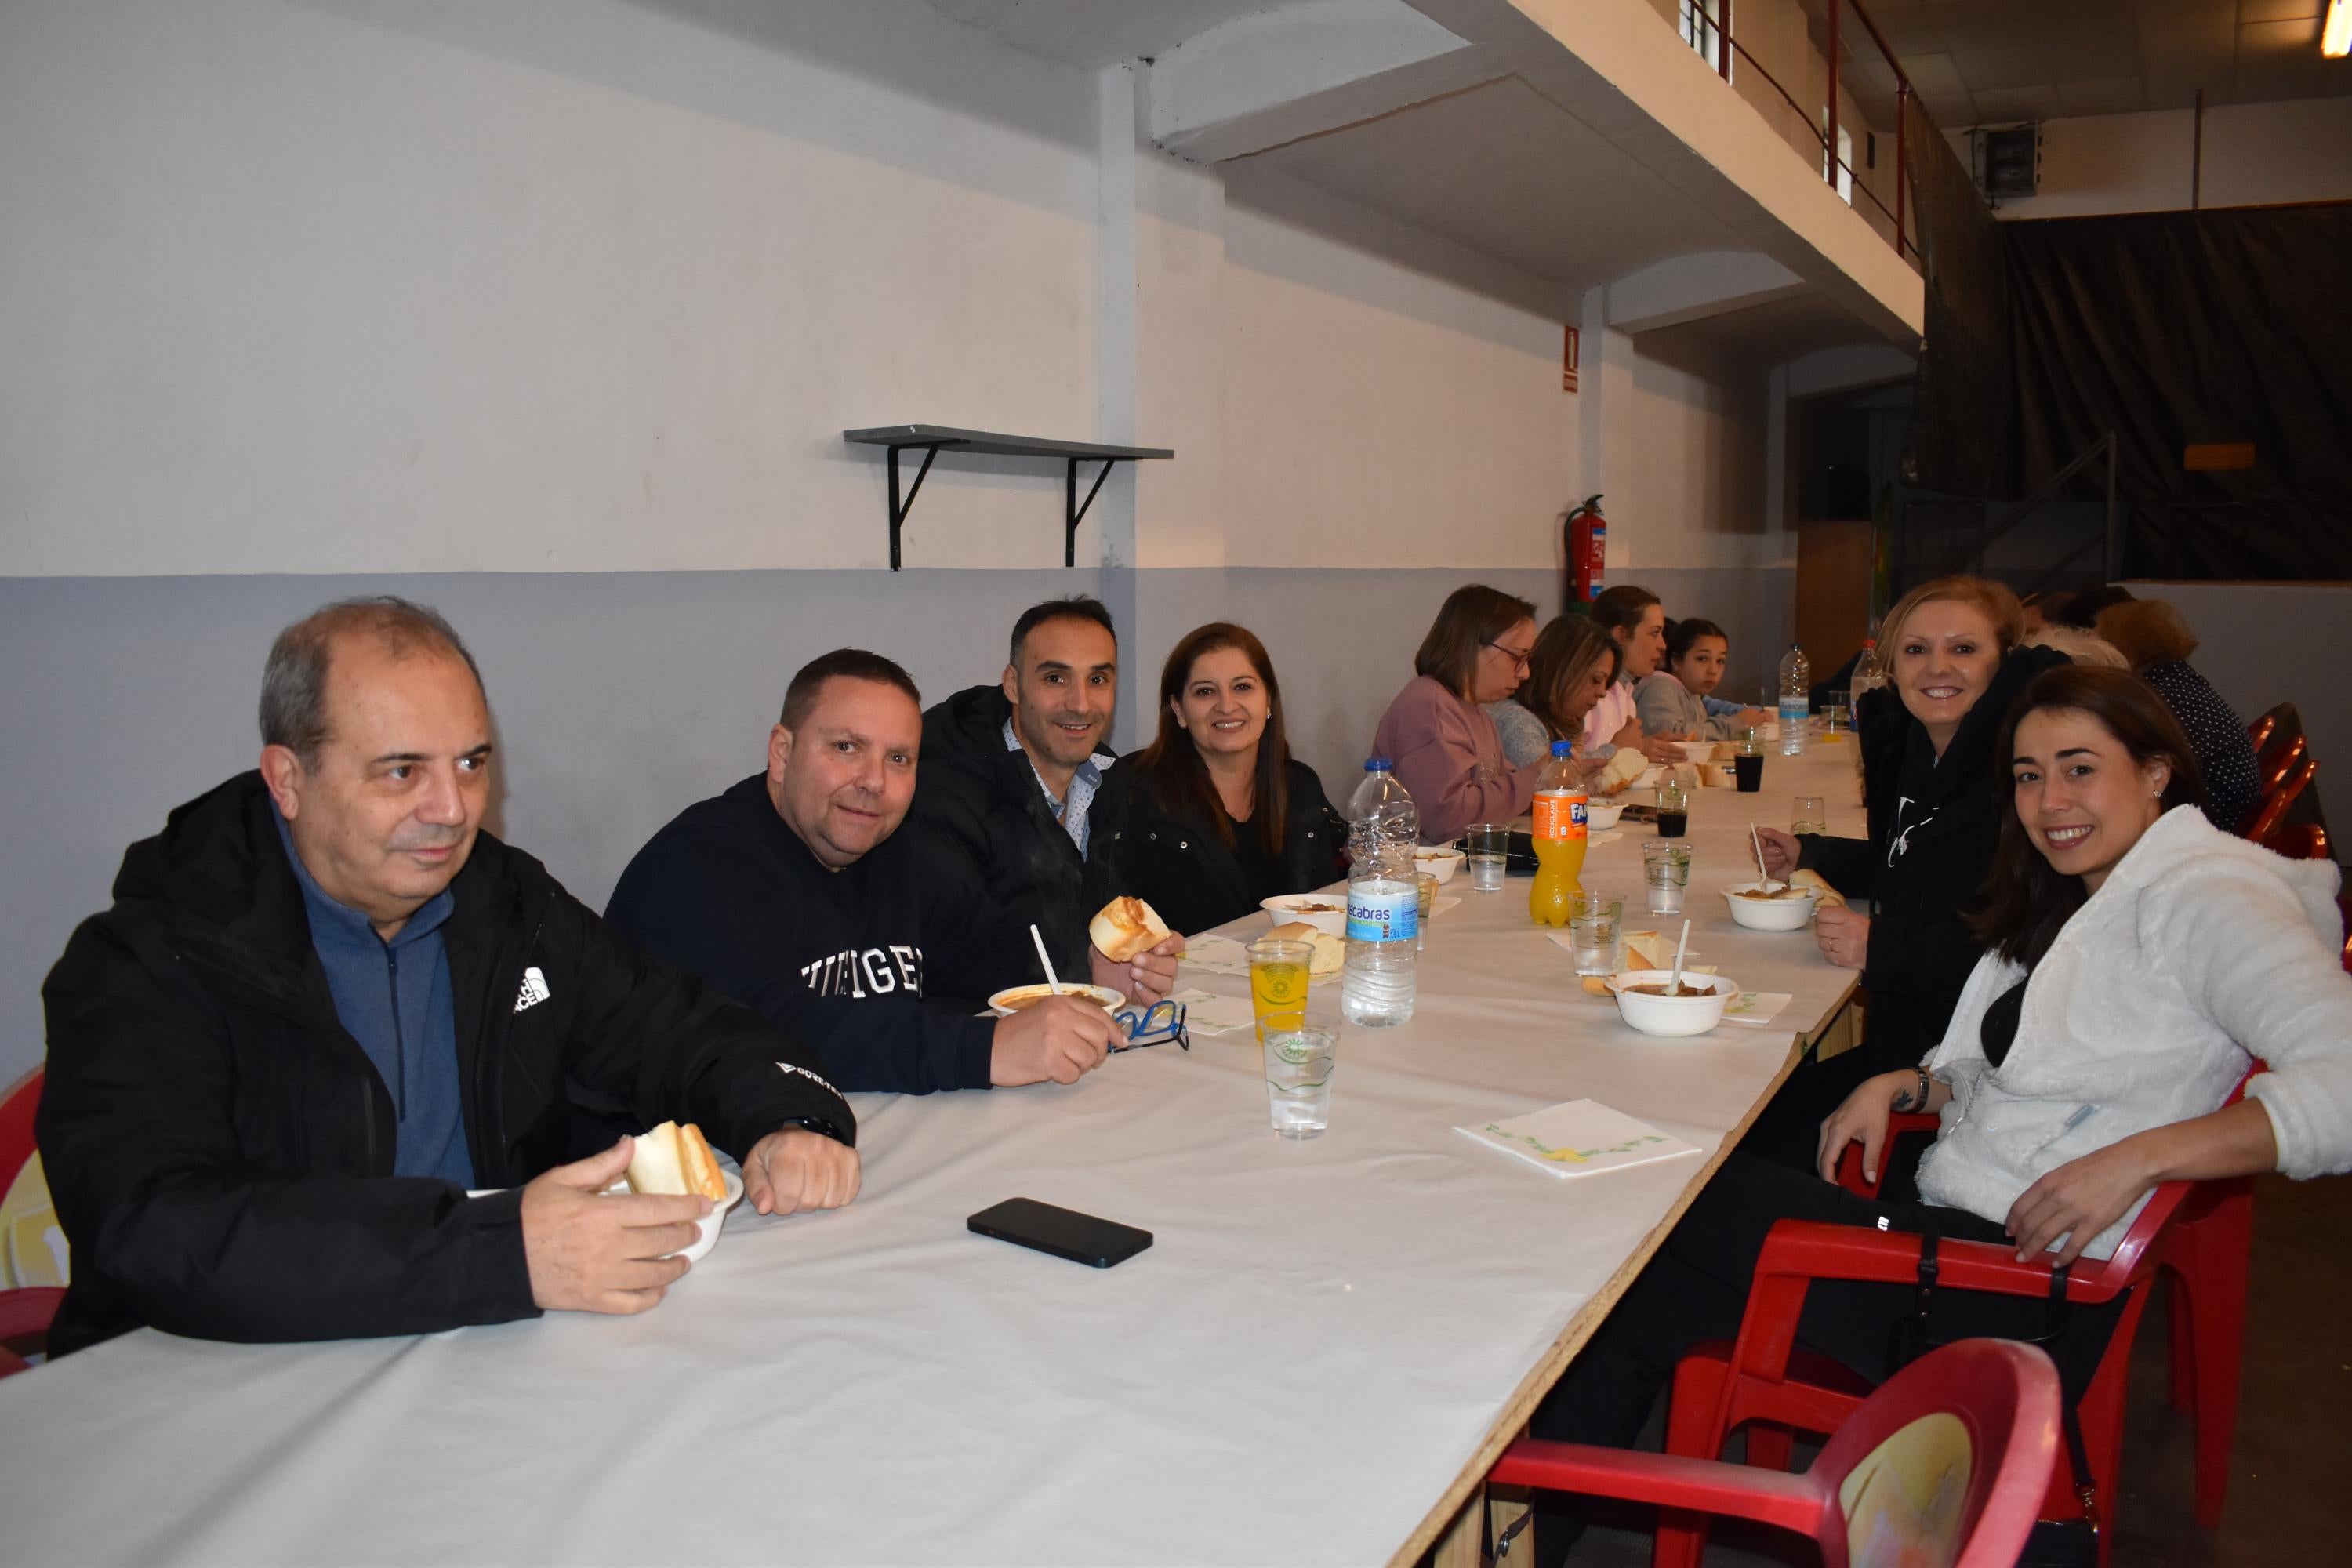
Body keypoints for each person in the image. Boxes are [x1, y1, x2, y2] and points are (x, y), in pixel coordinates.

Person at [1526, 666, 2352, 1564]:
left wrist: (2144, 1157)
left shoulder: (2212, 899)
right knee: (1646, 1297)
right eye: (2030, 776)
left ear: (2157, 771)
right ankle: (1526, 1528)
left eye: (2080, 768)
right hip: (1960, 1240)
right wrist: (1918, 1086)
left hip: (2006, 1295)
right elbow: (2045, 1065)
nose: (2049, 800)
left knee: (1655, 1194)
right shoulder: (2084, 891)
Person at [36, 598, 859, 1356]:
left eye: (470, 763)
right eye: (402, 771)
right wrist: (500, 1250)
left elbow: (681, 1027)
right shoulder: (150, 956)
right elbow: (155, 1228)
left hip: (487, 1349)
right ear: (288, 779)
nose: (452, 807)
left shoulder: (511, 908)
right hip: (217, 1383)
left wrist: (786, 1115)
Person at [606, 650, 1152, 1096]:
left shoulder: (897, 850)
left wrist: (1088, 969)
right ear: (782, 752)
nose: (873, 782)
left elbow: (985, 944)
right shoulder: (700, 868)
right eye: (846, 748)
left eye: (899, 760)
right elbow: (763, 1035)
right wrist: (985, 1050)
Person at [1753, 575, 2071, 1083]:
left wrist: (1879, 947)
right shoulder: (1924, 755)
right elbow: (1913, 865)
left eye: (1963, 648)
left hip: (1967, 1076)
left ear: (2003, 660)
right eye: (1916, 649)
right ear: (1893, 668)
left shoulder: (2021, 779)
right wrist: (1812, 855)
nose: (1937, 667)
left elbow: (2025, 954)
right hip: (1908, 1045)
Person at [909, 596, 1181, 993]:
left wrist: (1140, 958)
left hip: (1084, 1019)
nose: (1080, 704)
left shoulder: (1112, 781)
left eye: (1098, 680)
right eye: (1055, 678)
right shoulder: (948, 792)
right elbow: (957, 951)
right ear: (1013, 685)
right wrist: (1084, 964)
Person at [1089, 624, 1346, 937]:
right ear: (1179, 710)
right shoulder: (1136, 792)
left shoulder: (1300, 788)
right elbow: (1111, 922)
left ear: (1268, 702)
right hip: (1179, 983)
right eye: (1205, 691)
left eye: (1242, 687)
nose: (1226, 706)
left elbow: (1325, 911)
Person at [1370, 585, 1544, 844]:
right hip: (1408, 875)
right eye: (1517, 657)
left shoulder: (1478, 713)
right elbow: (1449, 821)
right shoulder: (1428, 706)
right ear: (1471, 645)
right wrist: (1537, 777)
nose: (1525, 672)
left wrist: (1559, 775)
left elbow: (1503, 793)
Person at [2095, 597, 2260, 833]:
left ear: (2123, 649)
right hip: (2227, 815)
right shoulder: (2180, 681)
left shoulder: (2157, 698)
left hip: (2206, 823)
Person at [1487, 614, 1621, 775]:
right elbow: (1548, 782)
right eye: (1596, 680)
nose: (1603, 692)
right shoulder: (1517, 720)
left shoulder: (1564, 721)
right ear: (1561, 670)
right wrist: (1616, 749)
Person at [1578, 586, 1699, 763]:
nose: (1663, 645)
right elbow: (1564, 769)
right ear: (1620, 635)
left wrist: (1647, 746)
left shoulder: (1625, 693)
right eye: (1654, 633)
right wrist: (1628, 750)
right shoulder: (1586, 692)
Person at [1635, 617, 1771, 740]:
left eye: (1720, 661)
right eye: (1702, 659)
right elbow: (1669, 737)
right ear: (1676, 661)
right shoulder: (1660, 685)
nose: (1713, 670)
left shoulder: (1693, 694)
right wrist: (1733, 725)